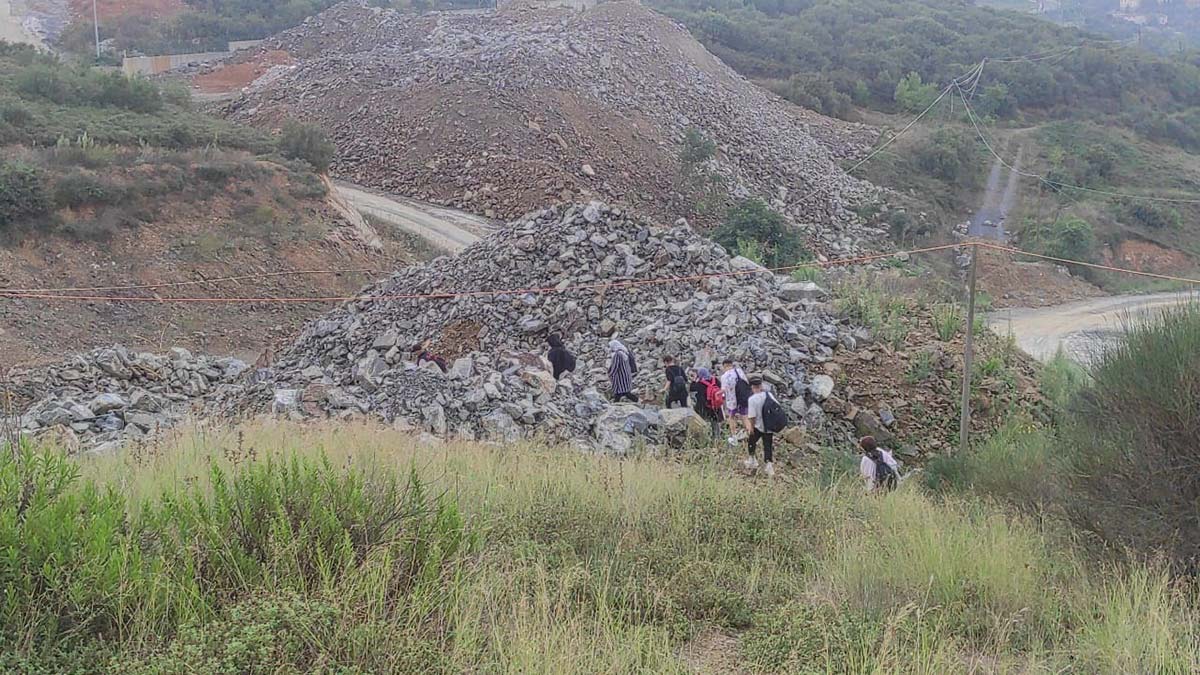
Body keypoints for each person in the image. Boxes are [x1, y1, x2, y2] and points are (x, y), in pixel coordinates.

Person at [744, 377, 780, 477]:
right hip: (769, 425)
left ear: (752, 387)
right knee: (768, 445)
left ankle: (752, 460)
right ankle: (769, 466)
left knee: (751, 441)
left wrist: (751, 427)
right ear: (761, 386)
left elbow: (752, 416)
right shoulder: (769, 395)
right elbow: (777, 406)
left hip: (758, 426)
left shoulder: (752, 399)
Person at [720, 358, 751, 443]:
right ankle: (751, 435)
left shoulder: (724, 376)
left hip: (732, 401)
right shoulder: (739, 371)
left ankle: (734, 437)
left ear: (724, 366)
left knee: (731, 417)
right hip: (742, 398)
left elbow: (723, 390)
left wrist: (718, 394)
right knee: (744, 417)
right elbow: (746, 382)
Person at [689, 367, 725, 439]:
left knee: (705, 422)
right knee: (715, 422)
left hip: (705, 406)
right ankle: (717, 437)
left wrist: (694, 380)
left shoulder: (700, 384)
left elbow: (692, 389)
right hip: (716, 405)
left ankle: (707, 437)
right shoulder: (715, 380)